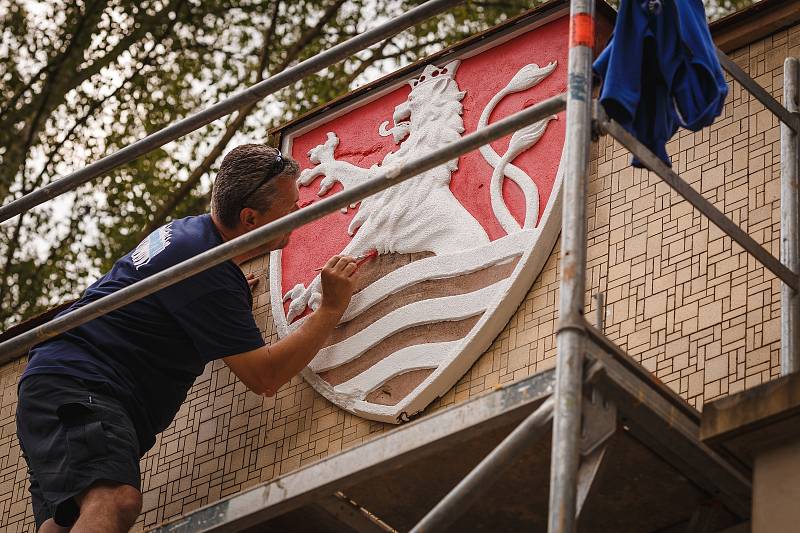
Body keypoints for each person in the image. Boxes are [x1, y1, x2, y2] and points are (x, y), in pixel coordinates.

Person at [16, 144, 359, 533]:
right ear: (249, 217)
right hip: (82, 383)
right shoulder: (205, 269)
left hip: (55, 382)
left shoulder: (190, 239)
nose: (299, 213)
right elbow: (265, 376)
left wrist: (223, 299)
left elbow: (179, 297)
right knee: (114, 500)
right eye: (290, 206)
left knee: (66, 522)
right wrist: (330, 309)